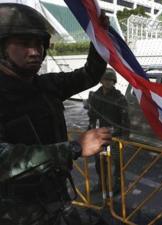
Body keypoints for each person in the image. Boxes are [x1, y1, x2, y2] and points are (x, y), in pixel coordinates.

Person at [0, 3, 112, 225]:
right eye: (23, 44)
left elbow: (90, 74)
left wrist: (98, 37)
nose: (34, 51)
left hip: (55, 198)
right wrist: (74, 148)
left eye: (39, 44)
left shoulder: (46, 85)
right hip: (15, 212)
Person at [87, 68, 129, 195]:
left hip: (115, 136)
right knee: (100, 162)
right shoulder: (96, 96)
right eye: (106, 79)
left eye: (111, 80)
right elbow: (92, 116)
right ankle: (102, 184)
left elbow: (125, 119)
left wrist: (124, 136)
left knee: (117, 163)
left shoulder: (119, 98)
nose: (108, 82)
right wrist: (90, 131)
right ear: (101, 80)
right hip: (100, 135)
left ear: (114, 82)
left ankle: (118, 186)